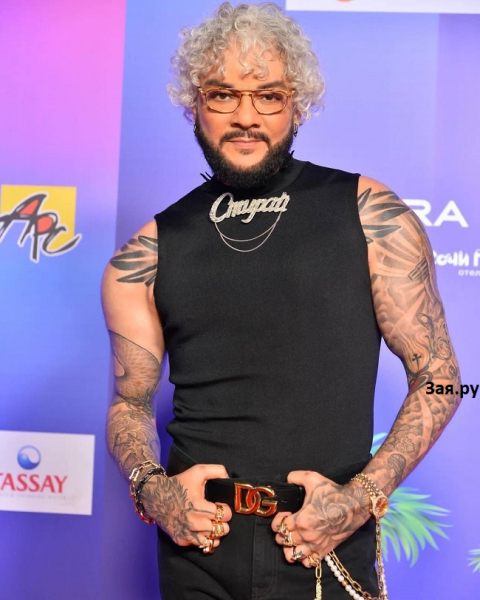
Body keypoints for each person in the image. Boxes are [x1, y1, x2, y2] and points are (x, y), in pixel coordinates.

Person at [101, 3, 461, 599]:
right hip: (197, 552)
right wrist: (153, 490)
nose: (246, 117)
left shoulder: (372, 215)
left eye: (268, 96)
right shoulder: (143, 256)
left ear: (297, 104)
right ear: (194, 103)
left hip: (326, 543)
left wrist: (359, 500)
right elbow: (130, 403)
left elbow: (440, 378)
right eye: (222, 95)